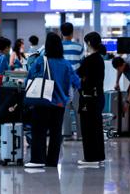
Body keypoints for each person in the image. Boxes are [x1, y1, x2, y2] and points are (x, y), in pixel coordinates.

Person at [24, 32, 81, 168]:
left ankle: (38, 160)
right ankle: (52, 161)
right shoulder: (66, 64)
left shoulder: (40, 61)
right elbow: (77, 82)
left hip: (42, 101)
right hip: (60, 103)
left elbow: (29, 79)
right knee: (56, 133)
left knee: (39, 130)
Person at [77, 32, 107, 166]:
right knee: (96, 128)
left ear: (89, 43)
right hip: (98, 97)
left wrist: (81, 83)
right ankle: (98, 155)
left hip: (88, 99)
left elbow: (81, 78)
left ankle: (90, 158)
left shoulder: (89, 60)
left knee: (88, 129)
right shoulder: (99, 59)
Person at [61, 22, 85, 140]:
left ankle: (67, 134)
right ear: (72, 32)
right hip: (76, 82)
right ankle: (80, 134)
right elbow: (82, 65)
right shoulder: (79, 47)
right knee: (78, 108)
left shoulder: (58, 47)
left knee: (65, 109)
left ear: (61, 32)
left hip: (62, 83)